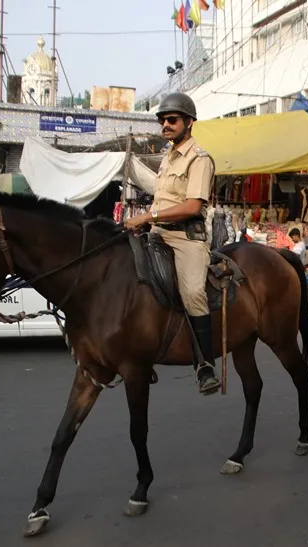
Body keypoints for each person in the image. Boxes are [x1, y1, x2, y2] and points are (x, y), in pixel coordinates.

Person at [124, 92, 221, 395]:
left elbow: (193, 206)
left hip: (185, 238)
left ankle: (204, 364)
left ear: (189, 122)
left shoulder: (200, 159)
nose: (165, 124)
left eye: (172, 119)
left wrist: (147, 216)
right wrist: (147, 221)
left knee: (192, 291)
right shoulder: (168, 156)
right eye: (162, 120)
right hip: (157, 233)